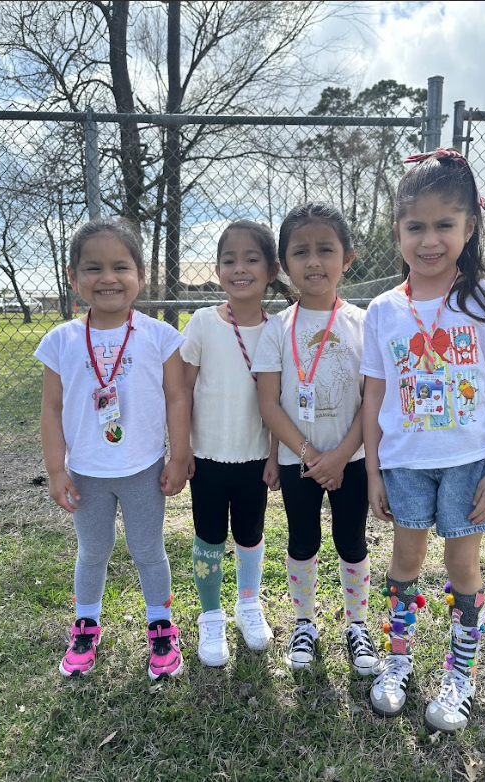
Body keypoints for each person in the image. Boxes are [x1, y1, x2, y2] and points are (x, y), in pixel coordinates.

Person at [361, 148, 485, 732]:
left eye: (444, 226)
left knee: (462, 564)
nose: (430, 241)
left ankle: (461, 672)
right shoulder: (382, 311)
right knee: (406, 558)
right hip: (405, 464)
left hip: (469, 463)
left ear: (469, 227)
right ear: (397, 231)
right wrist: (375, 472)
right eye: (415, 227)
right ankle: (397, 659)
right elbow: (374, 397)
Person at [35, 217, 190, 681]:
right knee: (93, 549)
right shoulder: (60, 341)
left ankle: (161, 627)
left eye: (120, 267)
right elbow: (52, 408)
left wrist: (178, 456)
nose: (107, 278)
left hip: (143, 467)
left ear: (141, 276)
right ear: (73, 277)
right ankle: (86, 625)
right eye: (93, 268)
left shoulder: (159, 336)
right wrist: (56, 469)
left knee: (148, 549)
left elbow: (178, 397)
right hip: (86, 470)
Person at [252, 202, 379, 675]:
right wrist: (309, 456)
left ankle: (357, 625)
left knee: (351, 539)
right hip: (297, 460)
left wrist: (342, 456)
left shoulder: (365, 323)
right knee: (303, 539)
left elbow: (373, 399)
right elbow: (269, 403)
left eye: (326, 249)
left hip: (352, 457)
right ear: (284, 264)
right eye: (300, 252)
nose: (314, 261)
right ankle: (305, 621)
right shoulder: (278, 329)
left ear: (348, 257)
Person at [181, 220, 296, 666]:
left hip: (254, 458)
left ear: (271, 269)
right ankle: (211, 616)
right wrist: (182, 448)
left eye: (251, 259)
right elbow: (182, 392)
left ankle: (248, 603)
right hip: (207, 458)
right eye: (229, 260)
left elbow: (278, 401)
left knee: (250, 534)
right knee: (209, 536)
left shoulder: (278, 330)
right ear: (217, 269)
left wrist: (273, 456)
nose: (239, 269)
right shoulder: (203, 323)